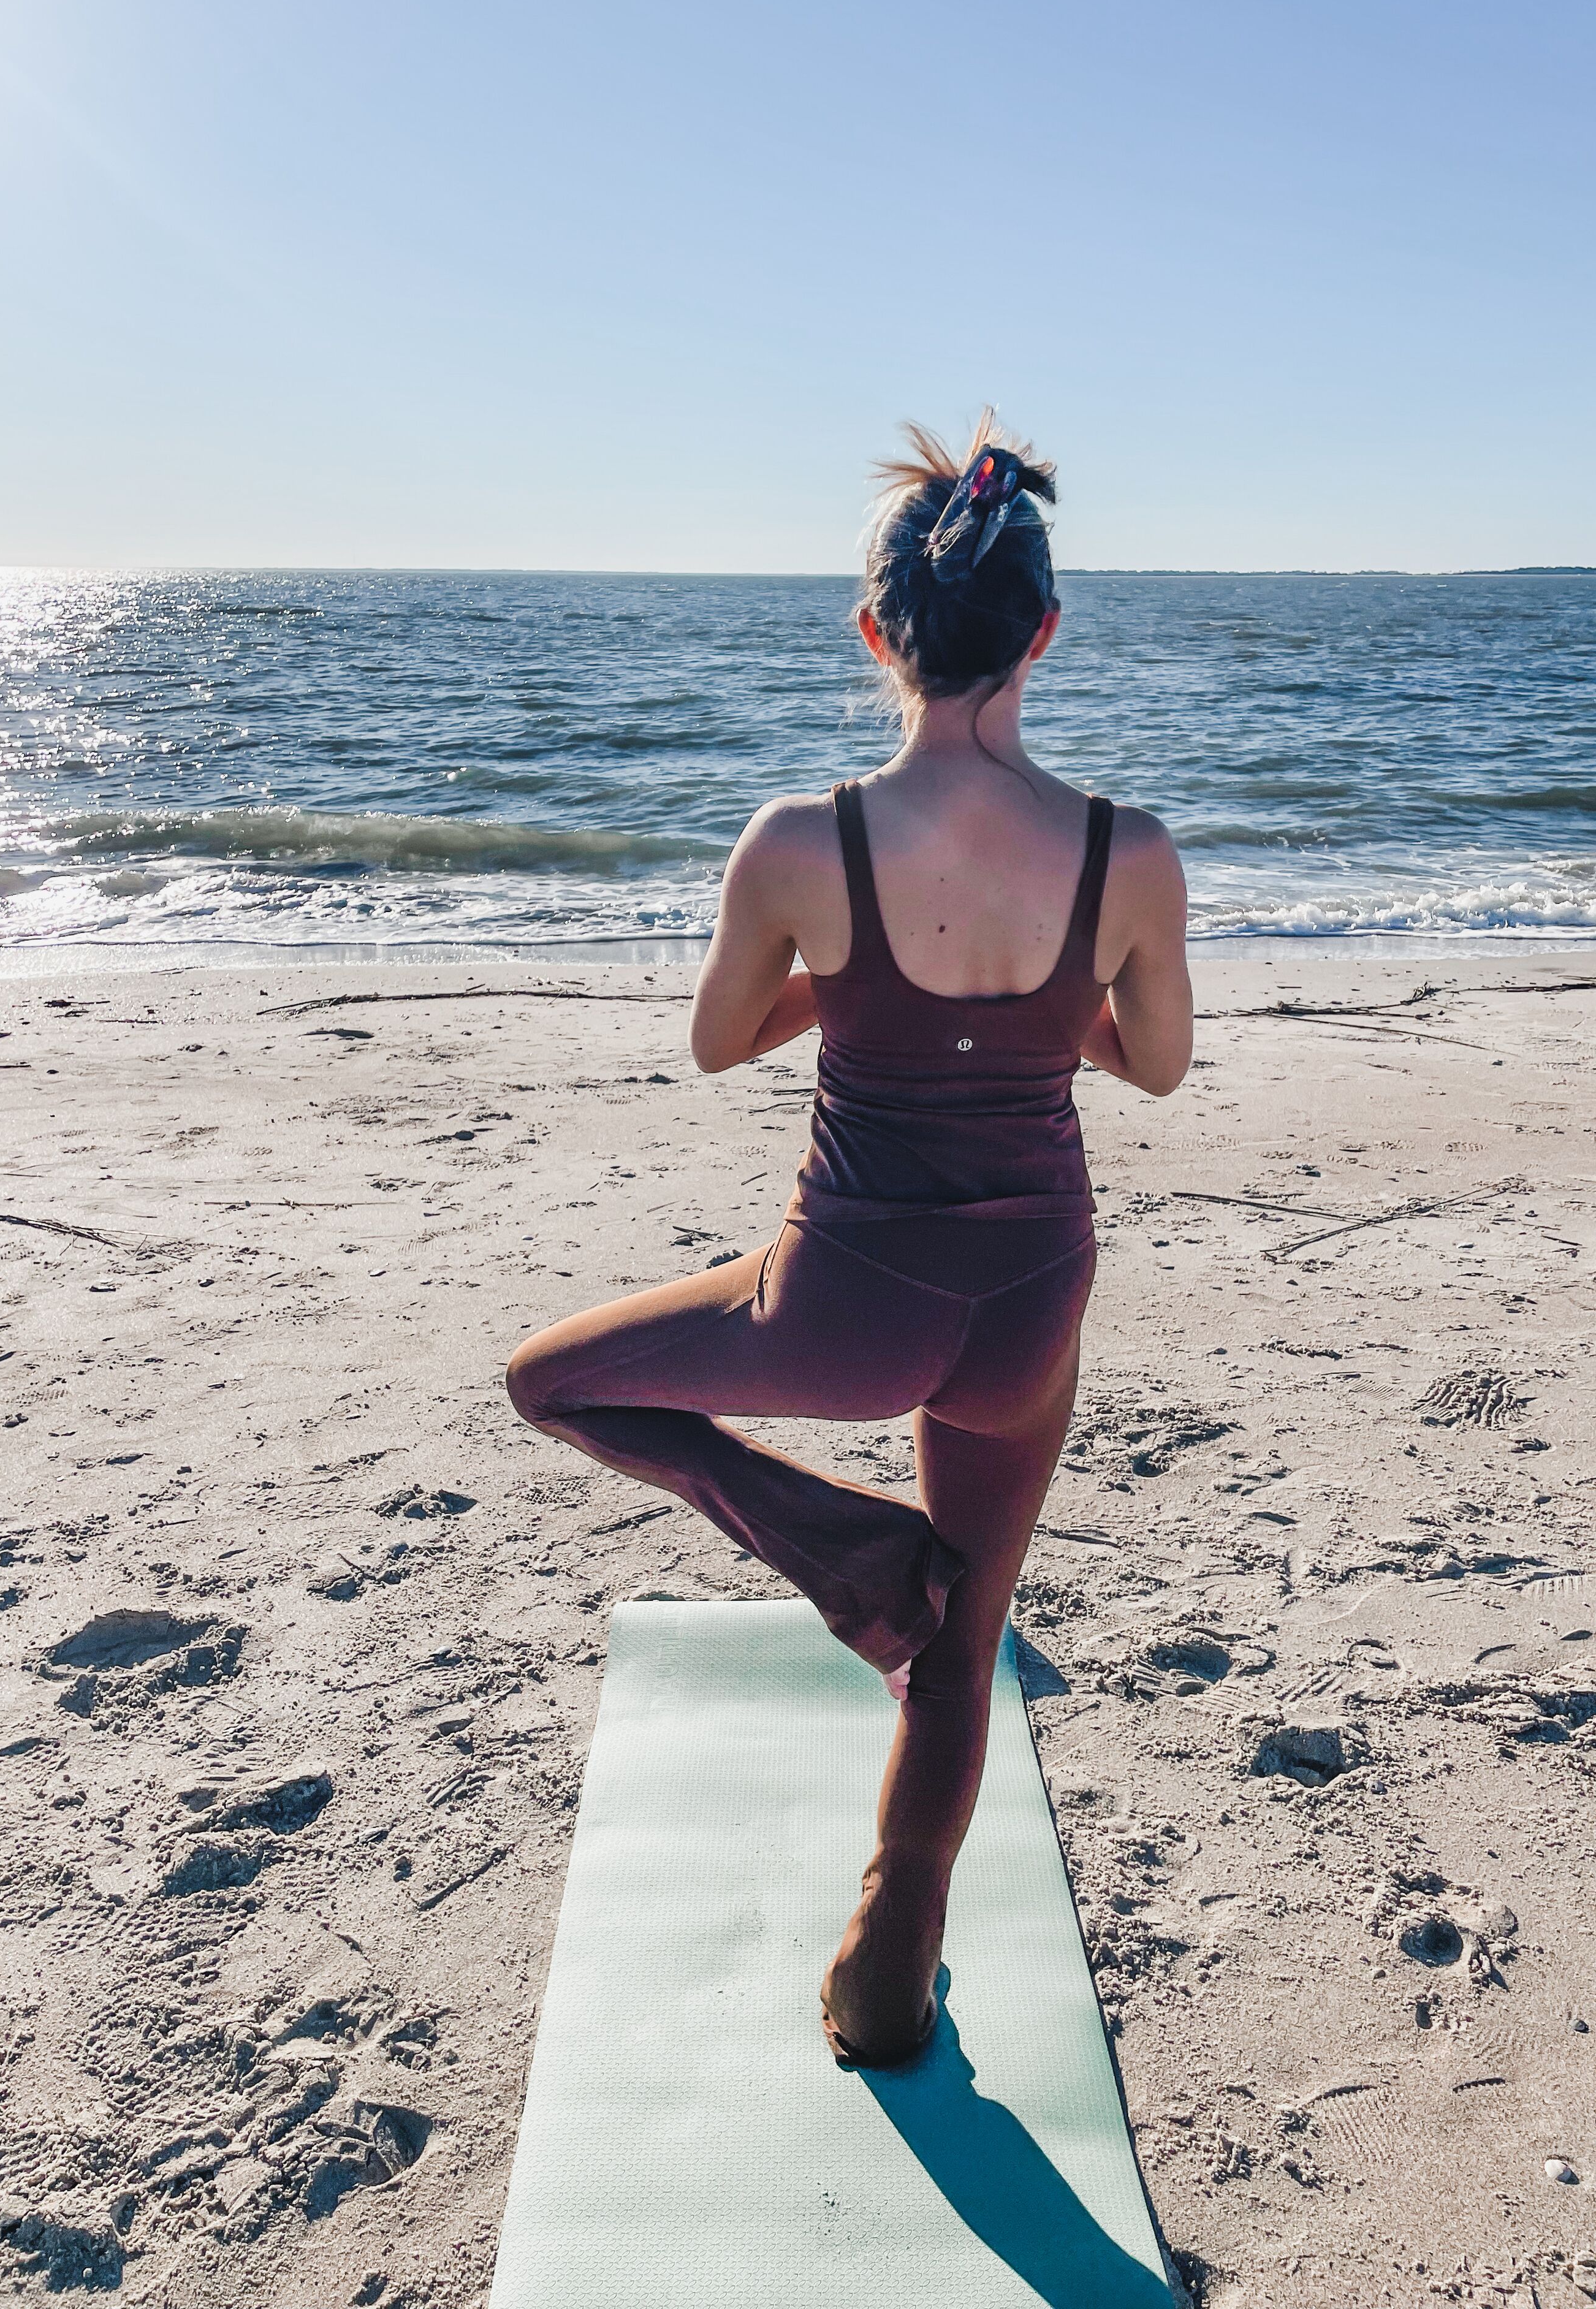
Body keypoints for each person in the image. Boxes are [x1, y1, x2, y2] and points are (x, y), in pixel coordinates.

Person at [506, 416, 1192, 2066]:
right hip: (1029, 1301)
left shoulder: (800, 843)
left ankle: (849, 1556)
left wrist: (856, 977)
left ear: (876, 634)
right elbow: (1154, 1062)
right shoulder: (1129, 853)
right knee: (963, 1650)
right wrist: (1048, 1005)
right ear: (1043, 633)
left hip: (843, 1305)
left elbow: (724, 1039)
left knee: (553, 1385)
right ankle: (893, 1960)